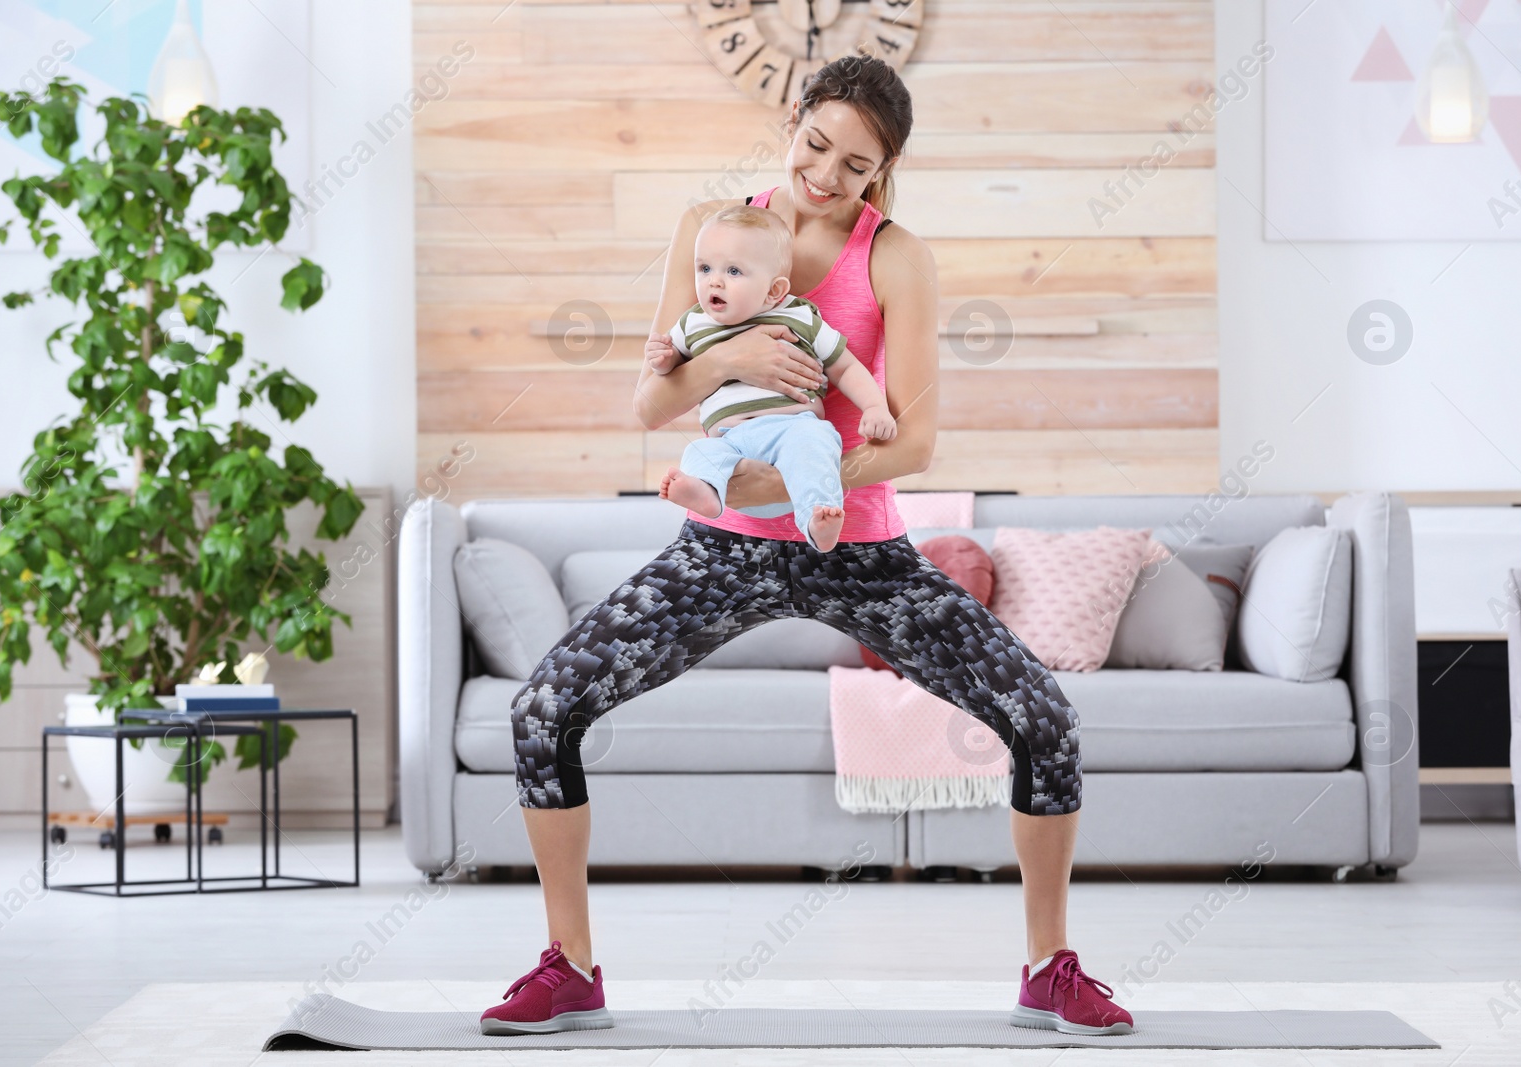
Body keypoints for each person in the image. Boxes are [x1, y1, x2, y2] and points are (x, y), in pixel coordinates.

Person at [479, 52, 1134, 1039]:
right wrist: (734, 356)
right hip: (723, 550)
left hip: (857, 549)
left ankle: (1048, 967)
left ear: (884, 173)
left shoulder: (898, 256)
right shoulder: (717, 229)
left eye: (856, 166)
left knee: (1043, 717)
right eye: (815, 145)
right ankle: (569, 967)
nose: (824, 176)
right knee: (543, 707)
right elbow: (650, 401)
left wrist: (786, 485)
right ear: (793, 123)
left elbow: (913, 438)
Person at [651, 202, 896, 551]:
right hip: (731, 442)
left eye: (733, 271)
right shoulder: (693, 323)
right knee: (701, 452)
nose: (714, 280)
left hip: (792, 430)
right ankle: (706, 492)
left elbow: (844, 365)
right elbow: (668, 371)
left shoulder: (798, 316)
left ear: (773, 291)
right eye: (704, 268)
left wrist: (874, 406)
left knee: (817, 444)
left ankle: (818, 519)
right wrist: (663, 359)